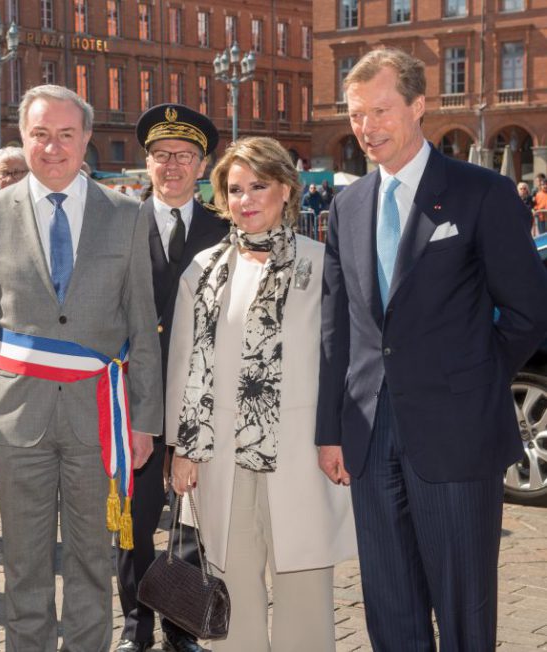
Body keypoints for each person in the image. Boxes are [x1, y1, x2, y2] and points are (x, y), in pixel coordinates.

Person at [316, 48, 547, 650]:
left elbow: (528, 311)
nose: (367, 127)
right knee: (389, 604)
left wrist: (472, 380)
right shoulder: (347, 205)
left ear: (419, 106)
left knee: (464, 604)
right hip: (370, 434)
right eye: (357, 114)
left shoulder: (483, 192)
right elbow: (336, 327)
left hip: (458, 432)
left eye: (381, 110)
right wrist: (330, 430)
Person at [0, 84, 162, 651]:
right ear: (23, 138)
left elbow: (142, 326)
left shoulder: (126, 215)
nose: (52, 147)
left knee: (94, 564)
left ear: (87, 139)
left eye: (66, 135)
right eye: (40, 134)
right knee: (23, 568)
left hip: (100, 420)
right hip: (15, 420)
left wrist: (144, 420)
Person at [166, 137, 356, 651]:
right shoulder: (203, 270)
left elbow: (343, 362)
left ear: (286, 191)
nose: (245, 199)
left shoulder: (322, 264)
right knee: (230, 590)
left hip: (301, 452)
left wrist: (338, 438)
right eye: (234, 189)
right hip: (220, 458)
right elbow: (184, 364)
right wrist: (183, 450)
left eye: (258, 186)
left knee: (304, 588)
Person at [115, 103, 229, 652]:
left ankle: (180, 629)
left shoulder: (224, 230)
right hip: (134, 403)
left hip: (198, 403)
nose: (172, 166)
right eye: (162, 156)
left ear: (203, 165)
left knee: (191, 524)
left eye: (184, 156)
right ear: (148, 163)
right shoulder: (119, 224)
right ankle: (135, 627)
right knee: (134, 527)